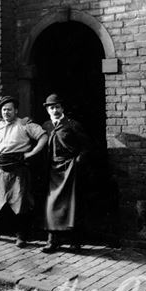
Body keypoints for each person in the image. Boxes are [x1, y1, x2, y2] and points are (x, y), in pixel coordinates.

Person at [0, 95, 48, 246]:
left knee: (20, 203)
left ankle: (21, 236)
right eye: (4, 110)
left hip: (18, 169)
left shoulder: (24, 124)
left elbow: (43, 137)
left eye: (9, 109)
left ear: (16, 111)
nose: (6, 112)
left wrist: (31, 153)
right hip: (0, 168)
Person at [41, 94, 89, 253]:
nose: (54, 110)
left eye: (57, 107)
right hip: (53, 170)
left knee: (71, 205)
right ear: (47, 110)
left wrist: (77, 161)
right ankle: (52, 241)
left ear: (62, 108)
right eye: (51, 107)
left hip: (69, 169)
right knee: (51, 205)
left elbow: (86, 146)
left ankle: (75, 241)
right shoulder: (46, 126)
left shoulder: (72, 125)